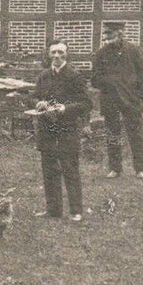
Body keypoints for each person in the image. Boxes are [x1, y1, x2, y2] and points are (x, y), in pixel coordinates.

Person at [32, 41, 92, 222]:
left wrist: (65, 109)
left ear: (67, 55)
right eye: (53, 53)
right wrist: (39, 103)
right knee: (49, 170)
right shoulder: (43, 76)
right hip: (47, 128)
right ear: (48, 55)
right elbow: (34, 97)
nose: (57, 56)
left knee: (69, 169)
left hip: (67, 128)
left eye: (61, 52)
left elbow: (87, 103)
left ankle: (76, 211)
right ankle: (53, 210)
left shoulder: (75, 76)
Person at [91, 20, 143, 179]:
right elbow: (94, 79)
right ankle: (115, 169)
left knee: (136, 134)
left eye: (109, 34)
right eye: (105, 34)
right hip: (110, 100)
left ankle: (140, 169)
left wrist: (140, 96)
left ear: (119, 33)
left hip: (131, 100)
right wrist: (111, 82)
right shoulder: (101, 53)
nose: (106, 37)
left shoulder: (133, 51)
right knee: (112, 135)